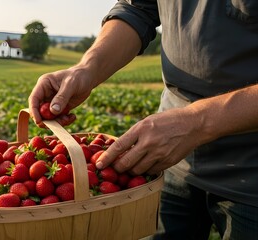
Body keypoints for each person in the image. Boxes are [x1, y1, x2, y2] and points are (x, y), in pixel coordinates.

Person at [28, 1, 258, 239]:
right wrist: (87, 67)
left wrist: (197, 121)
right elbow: (138, 9)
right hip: (166, 160)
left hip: (251, 175)